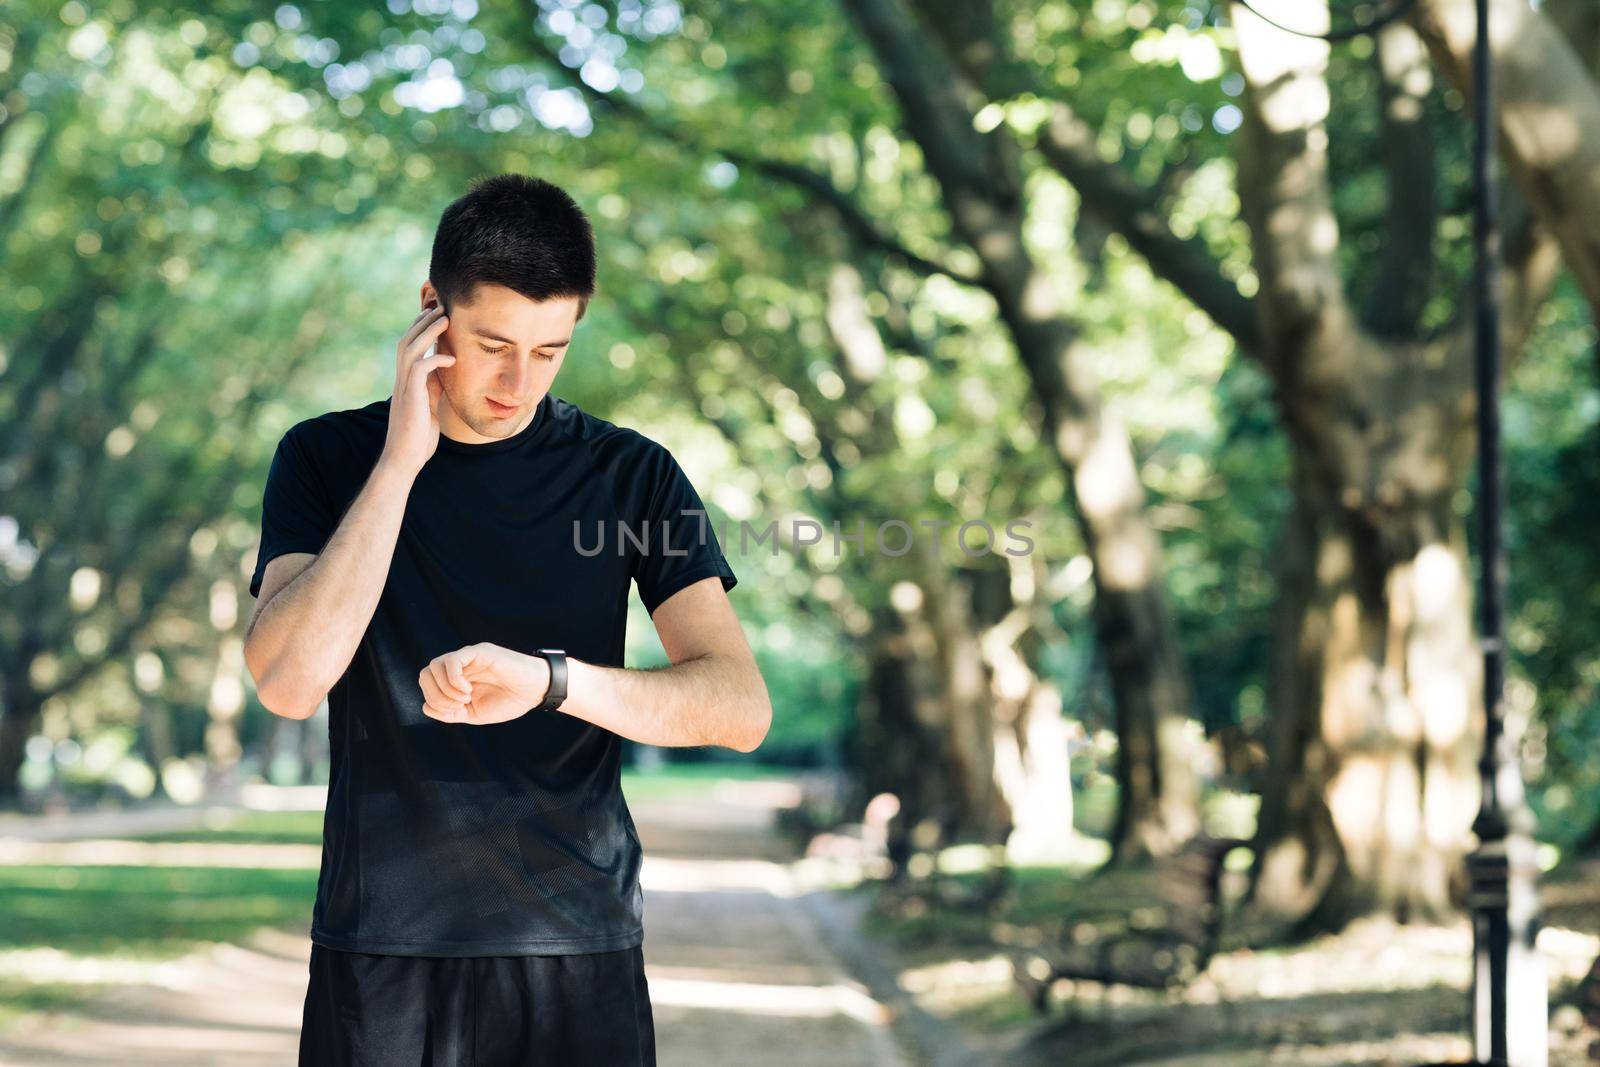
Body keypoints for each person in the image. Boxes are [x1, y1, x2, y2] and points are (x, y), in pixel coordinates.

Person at [241, 173, 773, 1066]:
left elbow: (739, 707)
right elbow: (290, 682)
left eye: (550, 350)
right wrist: (403, 464)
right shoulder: (326, 458)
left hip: (576, 945)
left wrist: (553, 682)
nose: (517, 381)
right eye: (492, 343)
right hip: (382, 946)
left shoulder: (631, 477)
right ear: (429, 311)